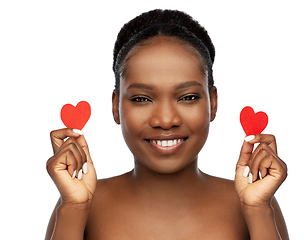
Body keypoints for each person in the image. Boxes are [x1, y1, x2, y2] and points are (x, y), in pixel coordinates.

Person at [45, 9, 289, 240]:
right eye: (141, 99)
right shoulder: (80, 202)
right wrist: (74, 208)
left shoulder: (254, 201)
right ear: (115, 106)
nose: (165, 120)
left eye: (188, 97)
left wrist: (258, 210)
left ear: (213, 103)